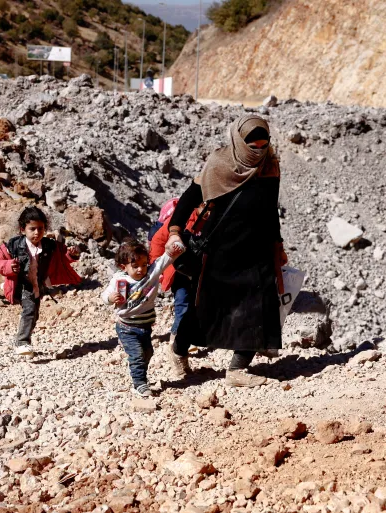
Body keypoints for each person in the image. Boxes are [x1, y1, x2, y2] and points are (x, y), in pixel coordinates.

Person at [165, 115, 287, 388]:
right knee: (205, 308)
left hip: (257, 250)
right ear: (239, 141)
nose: (258, 148)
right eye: (252, 143)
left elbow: (271, 211)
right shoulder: (219, 164)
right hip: (219, 251)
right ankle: (178, 350)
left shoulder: (270, 166)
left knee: (260, 307)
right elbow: (189, 199)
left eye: (263, 142)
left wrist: (278, 245)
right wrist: (174, 231)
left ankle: (237, 369)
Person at [0, 207, 81, 357]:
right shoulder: (14, 245)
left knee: (34, 314)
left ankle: (23, 339)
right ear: (22, 229)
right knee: (29, 310)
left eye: (40, 228)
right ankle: (22, 342)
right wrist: (9, 267)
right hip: (21, 284)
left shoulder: (49, 245)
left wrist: (71, 254)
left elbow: (60, 259)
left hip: (37, 284)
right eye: (32, 229)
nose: (36, 233)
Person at [102, 240, 184, 397]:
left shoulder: (151, 274)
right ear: (123, 267)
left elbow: (164, 260)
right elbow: (104, 296)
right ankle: (139, 383)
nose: (141, 269)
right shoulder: (120, 281)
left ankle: (138, 373)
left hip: (145, 326)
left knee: (147, 353)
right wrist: (111, 298)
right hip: (126, 327)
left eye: (144, 264)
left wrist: (174, 250)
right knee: (137, 355)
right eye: (135, 266)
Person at [149, 201, 207, 365]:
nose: (209, 212)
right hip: (178, 271)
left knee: (196, 307)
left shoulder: (215, 221)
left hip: (200, 273)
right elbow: (158, 241)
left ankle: (182, 341)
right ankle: (176, 343)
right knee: (183, 305)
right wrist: (157, 267)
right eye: (206, 208)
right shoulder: (181, 219)